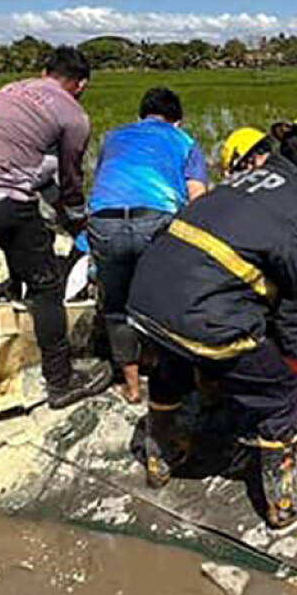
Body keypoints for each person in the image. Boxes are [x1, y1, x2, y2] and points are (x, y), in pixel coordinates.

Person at [126, 109, 297, 529]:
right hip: (202, 314)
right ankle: (283, 502)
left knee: (173, 364)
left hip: (146, 299)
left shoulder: (245, 181)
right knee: (278, 389)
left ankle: (160, 457)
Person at [0, 45, 113, 408]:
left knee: (26, 237)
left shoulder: (10, 90)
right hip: (1, 202)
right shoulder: (74, 116)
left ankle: (14, 296)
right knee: (47, 285)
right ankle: (61, 382)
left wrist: (63, 216)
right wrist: (80, 222)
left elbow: (41, 177)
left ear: (46, 73)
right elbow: (70, 181)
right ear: (81, 85)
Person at [86, 86, 208, 404]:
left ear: (139, 117)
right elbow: (198, 200)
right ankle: (169, 380)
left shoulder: (113, 137)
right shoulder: (184, 142)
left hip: (105, 222)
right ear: (177, 121)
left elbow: (105, 183)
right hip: (155, 221)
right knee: (163, 303)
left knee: (115, 307)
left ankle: (131, 388)